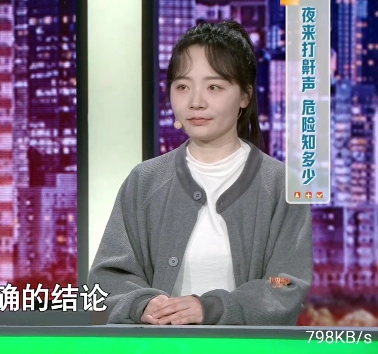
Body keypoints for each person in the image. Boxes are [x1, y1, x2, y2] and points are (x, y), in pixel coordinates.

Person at [88, 20, 313, 326]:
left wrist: (213, 308)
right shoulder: (144, 181)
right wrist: (142, 304)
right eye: (182, 87)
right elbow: (106, 278)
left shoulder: (280, 185)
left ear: (244, 96)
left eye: (214, 87)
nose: (195, 102)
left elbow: (286, 282)